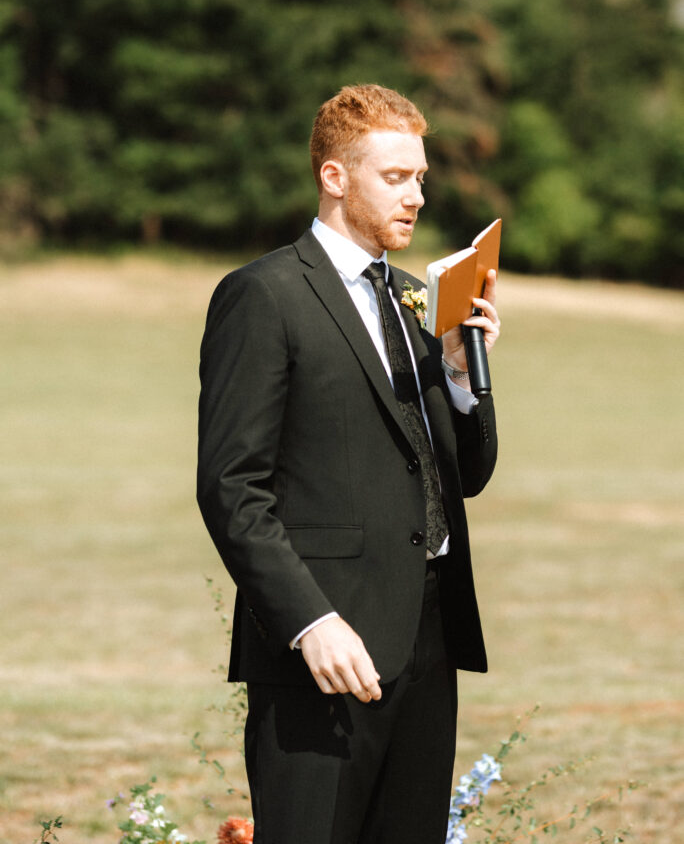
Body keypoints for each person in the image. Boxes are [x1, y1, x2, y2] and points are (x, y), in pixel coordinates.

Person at [197, 84, 500, 844]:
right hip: (324, 653)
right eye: (395, 177)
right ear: (334, 177)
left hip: (428, 646)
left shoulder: (409, 300)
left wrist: (462, 376)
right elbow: (232, 488)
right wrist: (309, 623)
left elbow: (459, 475)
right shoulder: (262, 296)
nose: (417, 196)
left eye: (421, 178)